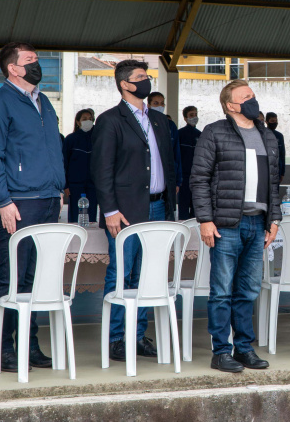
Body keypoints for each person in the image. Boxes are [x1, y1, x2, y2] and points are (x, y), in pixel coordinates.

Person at [0, 42, 64, 373]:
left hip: (47, 198)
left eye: (37, 59)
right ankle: (2, 349)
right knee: (12, 276)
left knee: (36, 277)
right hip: (18, 201)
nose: (37, 64)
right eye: (30, 61)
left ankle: (29, 345)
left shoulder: (43, 103)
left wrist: (58, 189)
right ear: (13, 68)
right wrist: (3, 199)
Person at [190, 80, 281, 373]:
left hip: (257, 223)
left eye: (253, 95)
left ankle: (244, 349)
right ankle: (221, 351)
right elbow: (199, 178)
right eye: (246, 97)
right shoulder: (214, 132)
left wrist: (274, 218)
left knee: (248, 290)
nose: (253, 101)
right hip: (226, 224)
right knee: (221, 291)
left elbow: (274, 183)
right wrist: (205, 219)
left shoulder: (267, 135)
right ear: (231, 105)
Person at [92, 60, 179, 362]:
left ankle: (138, 335)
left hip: (157, 206)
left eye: (147, 76)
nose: (146, 81)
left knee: (147, 274)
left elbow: (169, 163)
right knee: (121, 272)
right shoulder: (110, 120)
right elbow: (102, 169)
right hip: (126, 211)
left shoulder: (158, 119)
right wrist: (110, 210)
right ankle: (117, 337)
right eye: (140, 77)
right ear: (124, 84)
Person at [147, 92, 182, 219]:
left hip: (163, 191)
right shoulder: (144, 123)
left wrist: (177, 181)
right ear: (148, 105)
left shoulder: (170, 125)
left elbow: (176, 156)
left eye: (162, 103)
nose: (160, 106)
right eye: (156, 103)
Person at [63, 109, 97, 224]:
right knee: (75, 217)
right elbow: (64, 163)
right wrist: (66, 185)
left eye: (90, 119)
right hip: (75, 185)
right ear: (78, 122)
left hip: (93, 185)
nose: (88, 121)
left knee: (91, 218)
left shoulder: (98, 138)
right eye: (84, 119)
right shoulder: (70, 139)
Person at [177, 105, 201, 220]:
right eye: (191, 115)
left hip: (197, 176)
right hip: (184, 177)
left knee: (196, 207)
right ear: (185, 118)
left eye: (196, 114)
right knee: (183, 205)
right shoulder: (180, 134)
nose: (194, 117)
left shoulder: (200, 134)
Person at [265, 112, 286, 183]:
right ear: (266, 122)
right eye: (272, 121)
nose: (275, 123)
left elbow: (282, 154)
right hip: (265, 168)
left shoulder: (279, 136)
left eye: (276, 121)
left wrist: (282, 172)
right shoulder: (262, 134)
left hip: (277, 170)